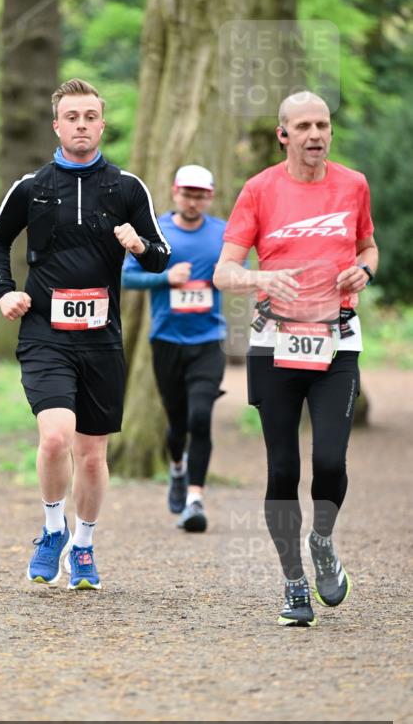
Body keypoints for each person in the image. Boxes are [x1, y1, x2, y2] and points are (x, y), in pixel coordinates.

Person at [0, 78, 171, 590]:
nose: (81, 125)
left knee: (91, 454)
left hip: (101, 338)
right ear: (57, 125)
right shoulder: (32, 187)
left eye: (90, 117)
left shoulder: (127, 188)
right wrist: (4, 291)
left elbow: (161, 256)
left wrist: (138, 246)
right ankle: (52, 530)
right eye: (72, 117)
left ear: (102, 125)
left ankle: (83, 545)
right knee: (54, 438)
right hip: (45, 333)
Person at [213, 90, 378, 627]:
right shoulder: (260, 189)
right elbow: (224, 271)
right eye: (303, 126)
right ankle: (293, 584)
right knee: (283, 469)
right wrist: (262, 277)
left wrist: (364, 271)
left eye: (322, 125)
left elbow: (368, 246)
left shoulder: (353, 185)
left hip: (337, 340)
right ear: (283, 134)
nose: (315, 135)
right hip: (275, 341)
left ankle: (322, 541)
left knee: (329, 461)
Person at [122, 164, 227, 532]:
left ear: (210, 197)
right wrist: (167, 278)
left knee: (201, 416)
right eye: (187, 194)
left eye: (200, 196)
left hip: (209, 340)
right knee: (178, 421)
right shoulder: (156, 230)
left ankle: (195, 499)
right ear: (174, 193)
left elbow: (238, 271)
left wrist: (226, 277)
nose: (193, 201)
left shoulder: (223, 233)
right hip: (167, 340)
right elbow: (127, 277)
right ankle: (178, 469)